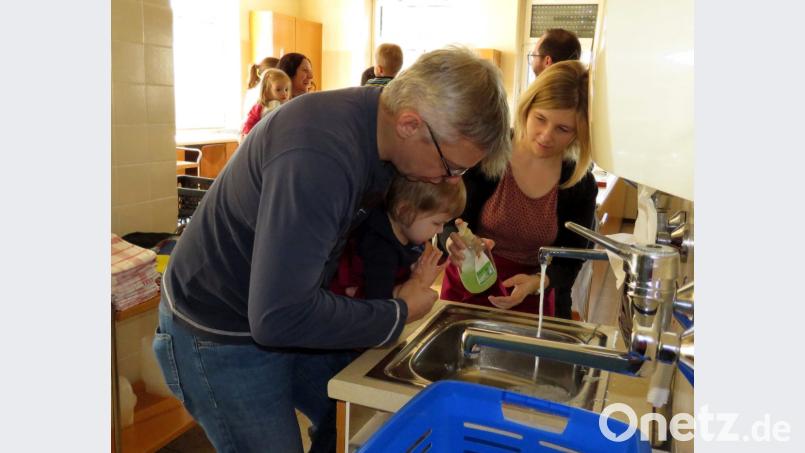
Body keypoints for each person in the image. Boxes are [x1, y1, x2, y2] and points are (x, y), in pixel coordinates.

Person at [153, 47, 510, 453]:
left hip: (279, 313)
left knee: (357, 415)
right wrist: (398, 312)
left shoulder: (385, 130)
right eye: (452, 167)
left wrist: (451, 238)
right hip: (219, 331)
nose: (448, 179)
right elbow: (280, 317)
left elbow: (402, 212)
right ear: (411, 124)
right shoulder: (318, 157)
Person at [438, 60, 597, 320]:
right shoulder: (487, 154)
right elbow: (446, 222)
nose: (546, 136)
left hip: (531, 296)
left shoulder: (579, 185)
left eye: (563, 129)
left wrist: (538, 281)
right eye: (541, 119)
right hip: (468, 284)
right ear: (527, 108)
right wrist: (453, 242)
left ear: (579, 133)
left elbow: (572, 259)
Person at [330, 176, 465, 300]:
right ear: (404, 211)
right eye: (436, 223)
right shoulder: (380, 249)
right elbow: (381, 307)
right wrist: (418, 280)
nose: (441, 230)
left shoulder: (406, 229)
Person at [240, 68, 291, 141]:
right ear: (266, 91)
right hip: (261, 140)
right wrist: (247, 135)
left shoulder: (286, 106)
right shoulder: (259, 107)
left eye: (286, 89)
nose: (284, 93)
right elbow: (249, 123)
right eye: (278, 89)